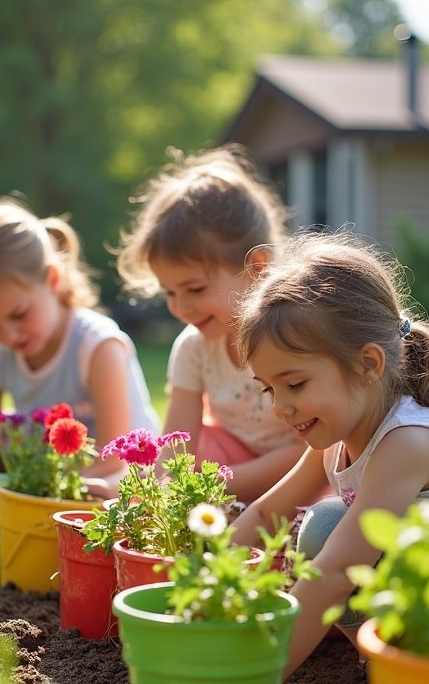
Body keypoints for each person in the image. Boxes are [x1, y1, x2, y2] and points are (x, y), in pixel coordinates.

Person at [232, 231, 429, 684]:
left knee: (331, 540)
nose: (280, 407)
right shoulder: (339, 434)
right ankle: (387, 662)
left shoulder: (406, 443)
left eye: (296, 384)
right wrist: (208, 577)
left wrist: (250, 680)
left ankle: (418, 678)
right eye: (269, 389)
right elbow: (267, 512)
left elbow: (334, 573)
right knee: (324, 523)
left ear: (368, 364)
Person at [0, 196, 159, 541]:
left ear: (53, 278)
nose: (8, 335)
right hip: (51, 482)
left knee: (119, 494)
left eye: (18, 315)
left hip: (117, 475)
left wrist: (42, 492)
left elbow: (115, 459)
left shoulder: (97, 347)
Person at [116, 145, 306, 503]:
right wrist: (155, 498)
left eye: (195, 289)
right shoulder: (193, 348)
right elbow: (175, 449)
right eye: (169, 292)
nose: (181, 307)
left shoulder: (293, 338)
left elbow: (316, 450)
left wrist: (215, 486)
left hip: (303, 472)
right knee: (189, 450)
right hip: (231, 465)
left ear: (257, 268)